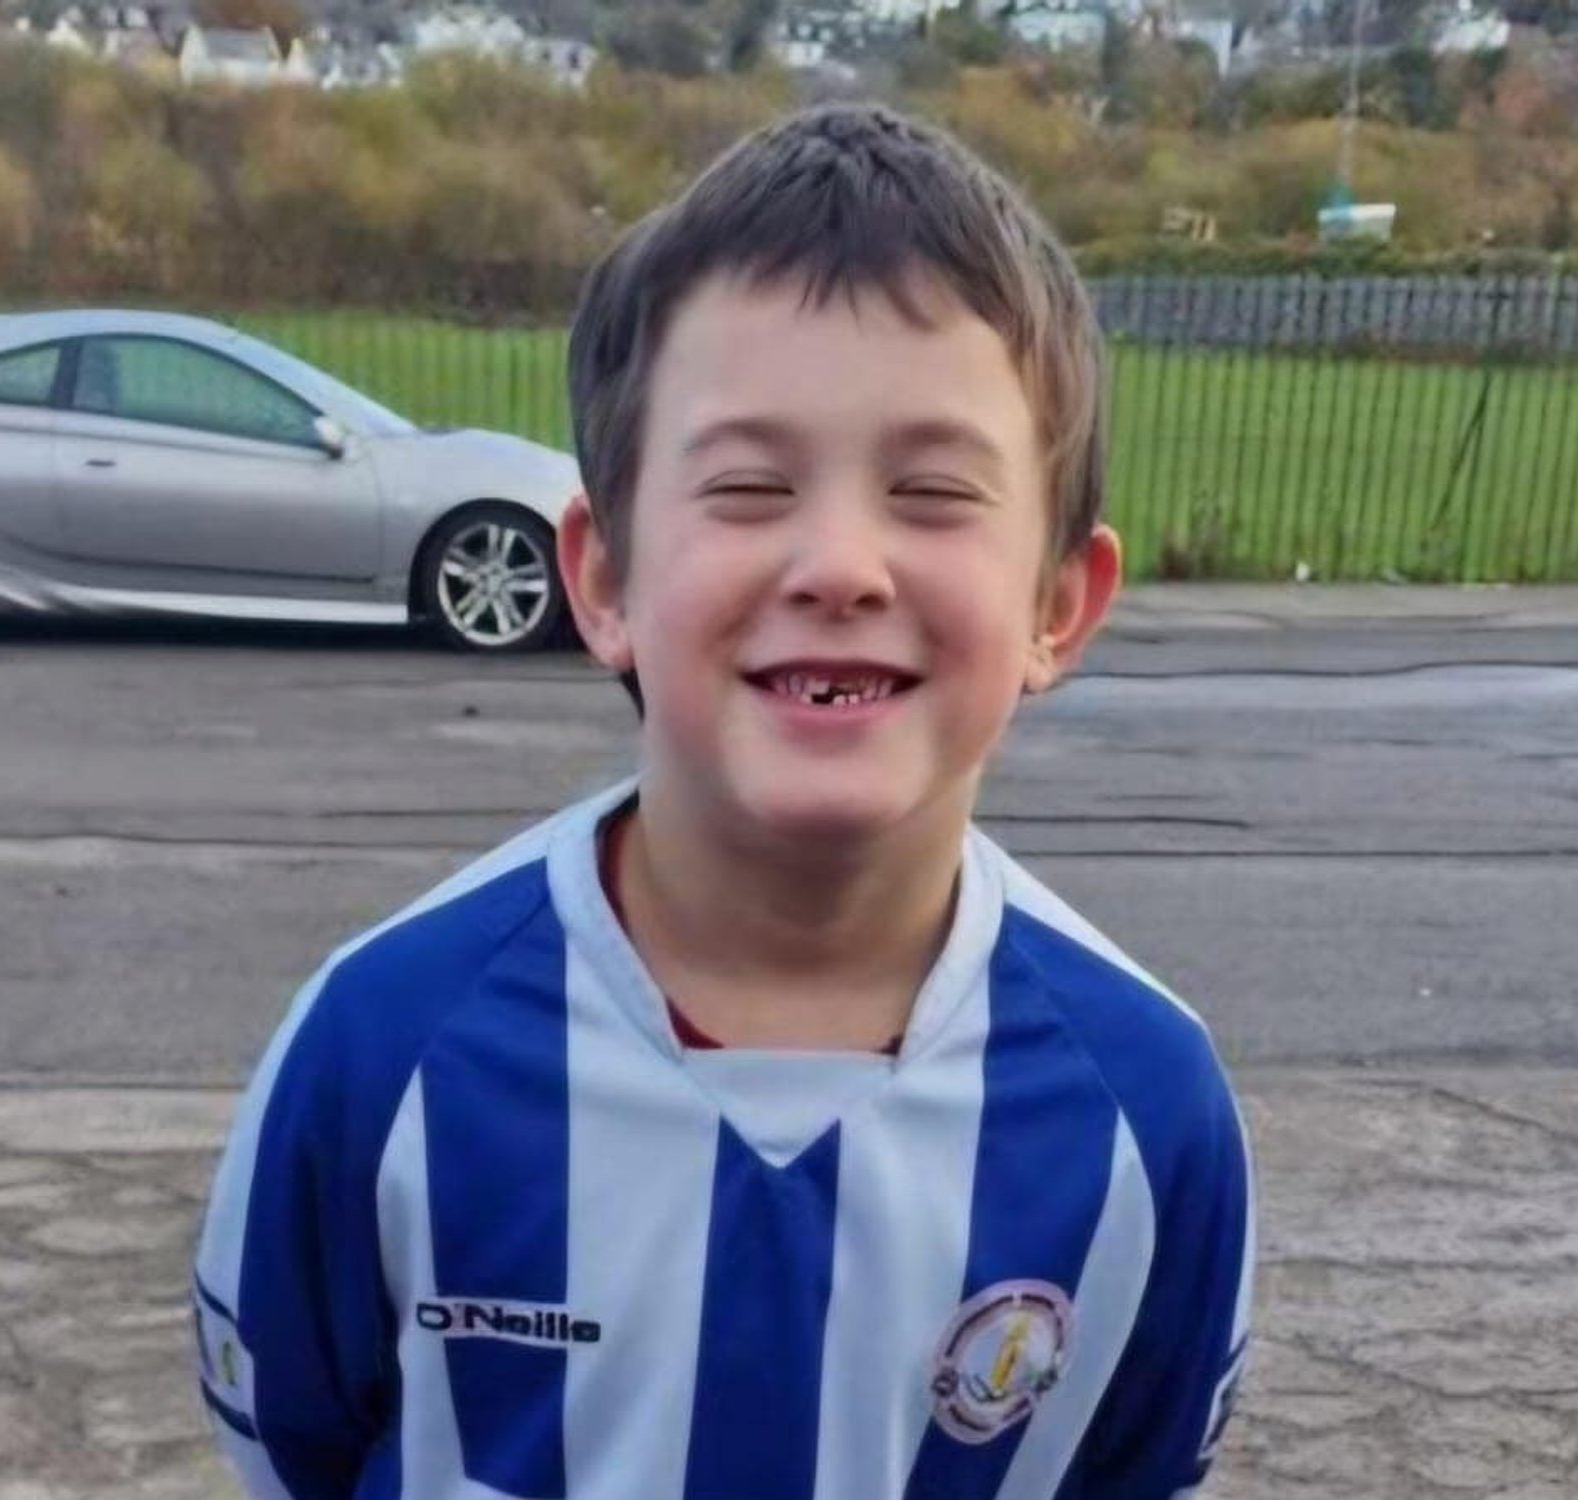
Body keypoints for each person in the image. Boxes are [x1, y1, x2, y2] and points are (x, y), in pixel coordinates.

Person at [192, 101, 1255, 1500]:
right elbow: (300, 1452)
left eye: (933, 491)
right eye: (749, 485)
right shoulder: (381, 1046)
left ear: (1060, 604)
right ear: (605, 578)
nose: (840, 563)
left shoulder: (1144, 1107)